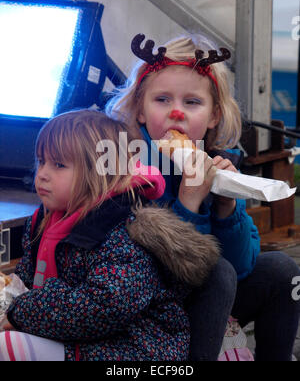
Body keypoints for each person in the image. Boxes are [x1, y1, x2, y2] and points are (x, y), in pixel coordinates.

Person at [105, 33, 300, 361]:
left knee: (282, 269)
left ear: (213, 116)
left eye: (191, 102)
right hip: (149, 307)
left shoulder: (217, 162)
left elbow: (241, 267)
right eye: (162, 99)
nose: (176, 113)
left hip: (209, 301)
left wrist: (228, 207)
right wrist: (189, 203)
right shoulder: (126, 170)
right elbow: (159, 272)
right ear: (139, 109)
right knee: (216, 272)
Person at [0, 109, 220, 361]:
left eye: (59, 164)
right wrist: (9, 301)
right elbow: (28, 280)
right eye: (41, 161)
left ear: (99, 172)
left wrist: (22, 312)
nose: (42, 173)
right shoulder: (45, 219)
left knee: (8, 346)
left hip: (133, 349)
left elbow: (105, 307)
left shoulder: (125, 232)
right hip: (71, 335)